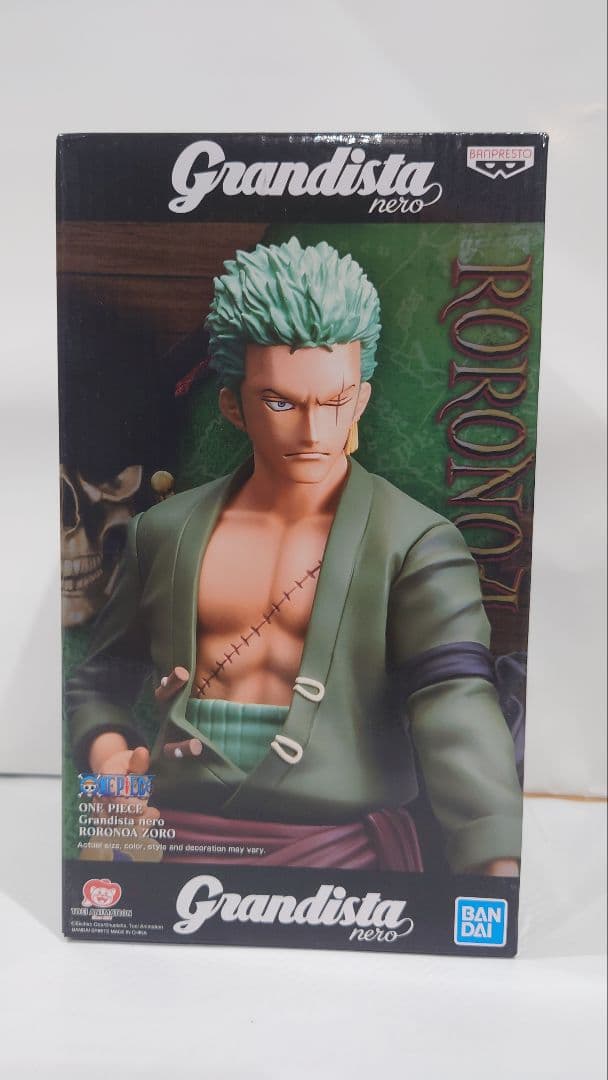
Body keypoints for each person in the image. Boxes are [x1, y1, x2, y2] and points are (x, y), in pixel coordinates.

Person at [67, 237, 522, 875]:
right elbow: (100, 680)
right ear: (233, 406)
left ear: (360, 399)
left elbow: (454, 699)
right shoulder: (163, 531)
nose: (312, 433)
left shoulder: (416, 541)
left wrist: (493, 859)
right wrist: (109, 754)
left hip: (343, 857)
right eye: (280, 402)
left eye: (334, 402)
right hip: (175, 845)